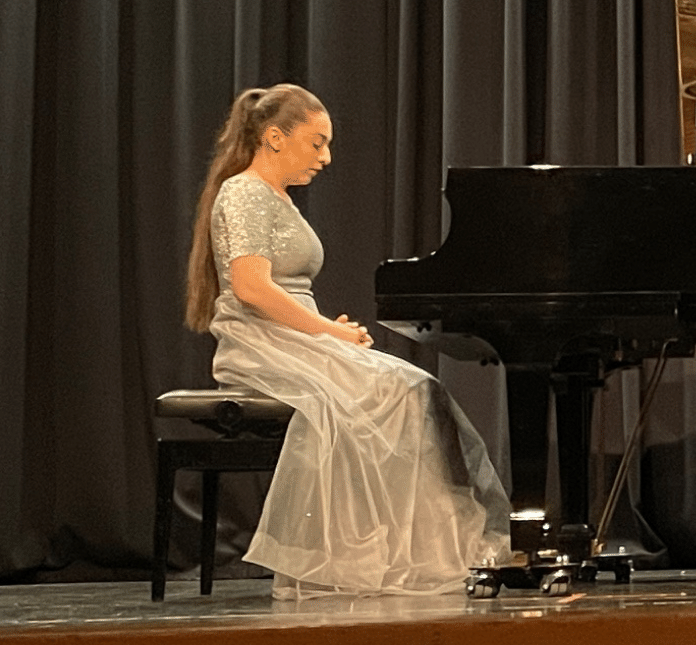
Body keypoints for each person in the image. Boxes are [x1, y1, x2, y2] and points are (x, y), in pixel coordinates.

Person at [182, 84, 509, 599]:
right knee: (395, 392)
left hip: (292, 337)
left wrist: (325, 332)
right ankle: (367, 556)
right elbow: (251, 288)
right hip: (257, 344)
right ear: (273, 138)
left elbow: (283, 292)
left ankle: (410, 549)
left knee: (413, 388)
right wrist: (329, 332)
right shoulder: (244, 192)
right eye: (316, 143)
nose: (326, 157)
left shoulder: (277, 199)